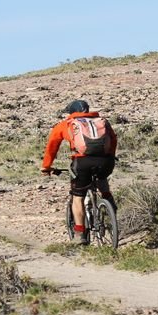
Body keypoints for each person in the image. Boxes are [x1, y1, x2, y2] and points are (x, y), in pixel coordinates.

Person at [41, 99, 118, 245]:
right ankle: (109, 202)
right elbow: (113, 139)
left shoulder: (67, 123)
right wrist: (110, 156)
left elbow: (52, 146)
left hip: (82, 162)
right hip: (106, 161)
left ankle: (79, 233)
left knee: (78, 197)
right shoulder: (102, 121)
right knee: (101, 177)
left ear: (71, 112)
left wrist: (46, 166)